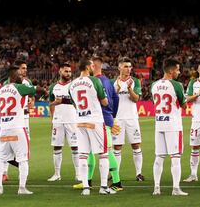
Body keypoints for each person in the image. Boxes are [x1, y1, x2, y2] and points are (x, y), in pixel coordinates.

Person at [73, 56, 123, 191]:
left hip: (97, 119)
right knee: (97, 152)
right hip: (100, 118)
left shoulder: (91, 81)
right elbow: (114, 99)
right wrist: (113, 115)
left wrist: (110, 116)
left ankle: (116, 182)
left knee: (104, 151)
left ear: (94, 65)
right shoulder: (106, 81)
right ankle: (88, 182)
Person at [0, 66, 38, 195]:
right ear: (14, 75)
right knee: (23, 159)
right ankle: (22, 188)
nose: (22, 76)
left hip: (4, 129)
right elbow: (33, 91)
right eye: (19, 74)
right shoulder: (18, 87)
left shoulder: (0, 91)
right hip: (18, 128)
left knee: (0, 160)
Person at [151, 58, 188, 196]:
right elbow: (184, 105)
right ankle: (176, 188)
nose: (179, 72)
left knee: (159, 157)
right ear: (171, 70)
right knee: (175, 157)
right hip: (173, 125)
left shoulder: (154, 85)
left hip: (159, 123)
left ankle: (156, 188)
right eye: (177, 69)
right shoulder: (177, 85)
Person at [112, 57, 144, 181]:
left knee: (136, 145)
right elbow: (109, 100)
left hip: (132, 118)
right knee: (117, 146)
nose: (128, 69)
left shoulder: (135, 81)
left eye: (130, 67)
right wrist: (117, 90)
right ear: (119, 67)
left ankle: (139, 173)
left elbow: (136, 99)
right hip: (117, 119)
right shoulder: (112, 82)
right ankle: (116, 175)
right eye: (126, 66)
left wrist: (129, 89)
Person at [2, 59, 33, 181]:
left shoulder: (27, 82)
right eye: (23, 68)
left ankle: (23, 168)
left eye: (26, 68)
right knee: (8, 145)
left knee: (25, 144)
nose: (25, 70)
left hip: (25, 117)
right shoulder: (7, 83)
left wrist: (31, 103)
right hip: (13, 118)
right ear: (17, 70)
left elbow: (31, 96)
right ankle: (4, 172)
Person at [47, 63, 79, 182]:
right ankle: (57, 174)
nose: (68, 74)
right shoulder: (53, 87)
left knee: (75, 147)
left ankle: (78, 174)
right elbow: (51, 104)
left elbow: (77, 102)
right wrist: (52, 120)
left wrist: (63, 100)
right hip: (58, 121)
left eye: (70, 72)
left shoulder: (74, 85)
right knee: (56, 147)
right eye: (66, 71)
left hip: (72, 120)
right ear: (60, 71)